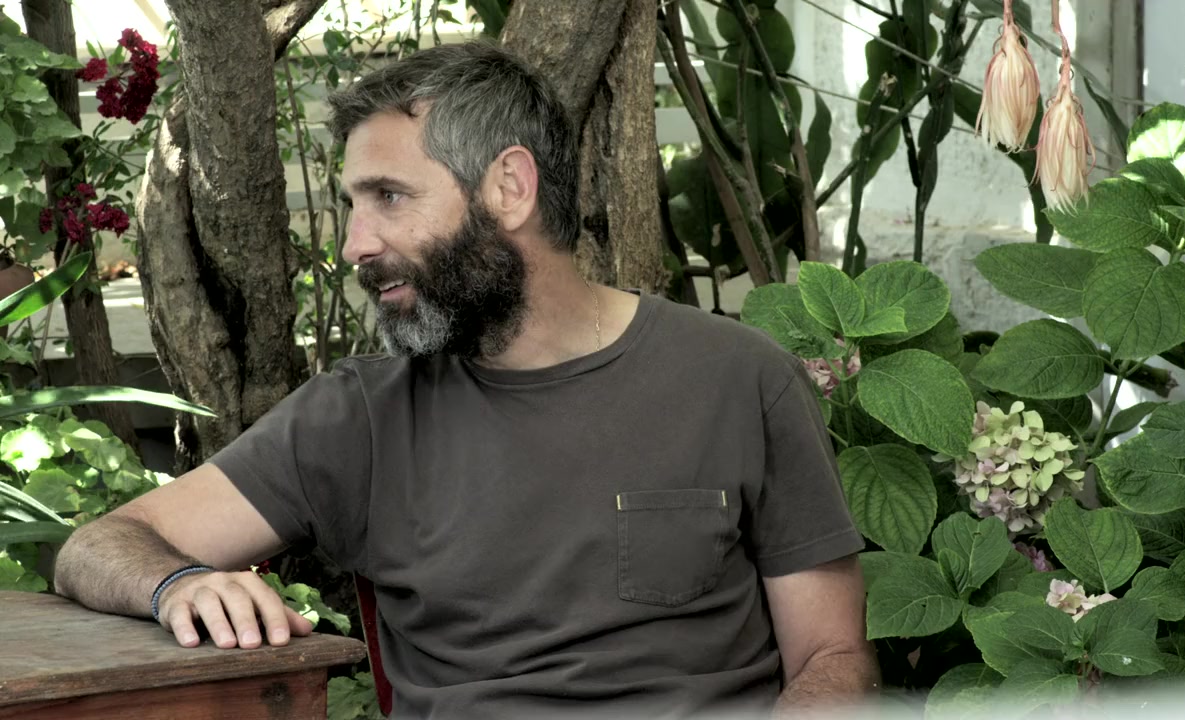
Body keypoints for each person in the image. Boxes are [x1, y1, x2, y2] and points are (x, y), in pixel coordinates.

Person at [52, 41, 879, 719]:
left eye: (388, 196)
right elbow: (98, 546)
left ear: (509, 188)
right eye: (353, 204)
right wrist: (176, 583)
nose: (355, 244)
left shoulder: (739, 380)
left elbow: (832, 657)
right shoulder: (360, 417)